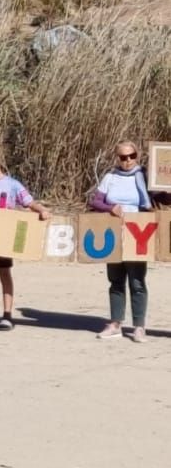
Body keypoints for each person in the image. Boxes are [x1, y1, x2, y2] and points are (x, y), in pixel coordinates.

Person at [0, 148, 50, 331]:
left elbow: (28, 202)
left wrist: (41, 210)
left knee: (4, 272)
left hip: (4, 236)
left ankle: (7, 314)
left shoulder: (12, 185)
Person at [90, 140, 152, 342]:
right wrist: (111, 208)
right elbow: (96, 200)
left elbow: (159, 196)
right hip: (114, 231)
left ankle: (139, 327)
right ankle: (115, 323)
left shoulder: (145, 176)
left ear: (137, 155)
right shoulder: (110, 177)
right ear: (117, 158)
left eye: (131, 156)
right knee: (116, 280)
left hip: (138, 232)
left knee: (137, 280)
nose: (128, 161)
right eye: (123, 157)